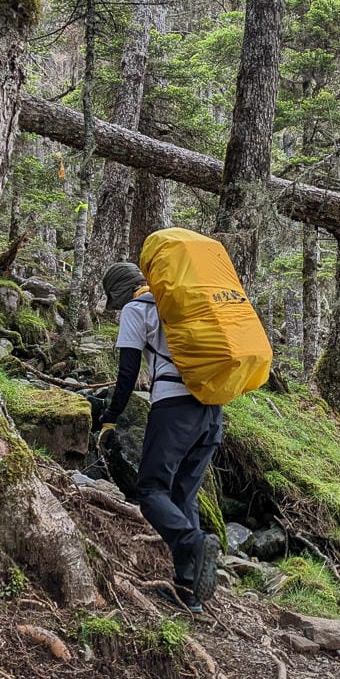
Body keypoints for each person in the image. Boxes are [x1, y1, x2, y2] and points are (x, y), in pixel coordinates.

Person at [98, 261, 222, 612]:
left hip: (174, 408)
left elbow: (126, 375)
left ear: (119, 293)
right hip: (212, 410)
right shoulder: (182, 301)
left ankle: (193, 542)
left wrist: (110, 418)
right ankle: (189, 592)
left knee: (151, 491)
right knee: (184, 496)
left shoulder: (138, 309)